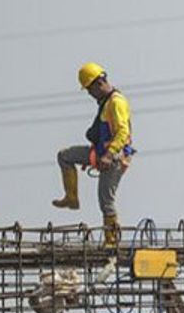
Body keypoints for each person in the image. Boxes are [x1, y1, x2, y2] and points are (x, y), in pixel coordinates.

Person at [52, 62, 134, 248]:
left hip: (115, 158)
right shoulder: (106, 103)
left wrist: (109, 154)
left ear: (99, 83)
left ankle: (112, 242)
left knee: (106, 199)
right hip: (100, 153)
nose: (89, 94)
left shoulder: (116, 102)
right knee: (65, 156)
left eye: (90, 89)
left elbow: (123, 132)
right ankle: (71, 198)